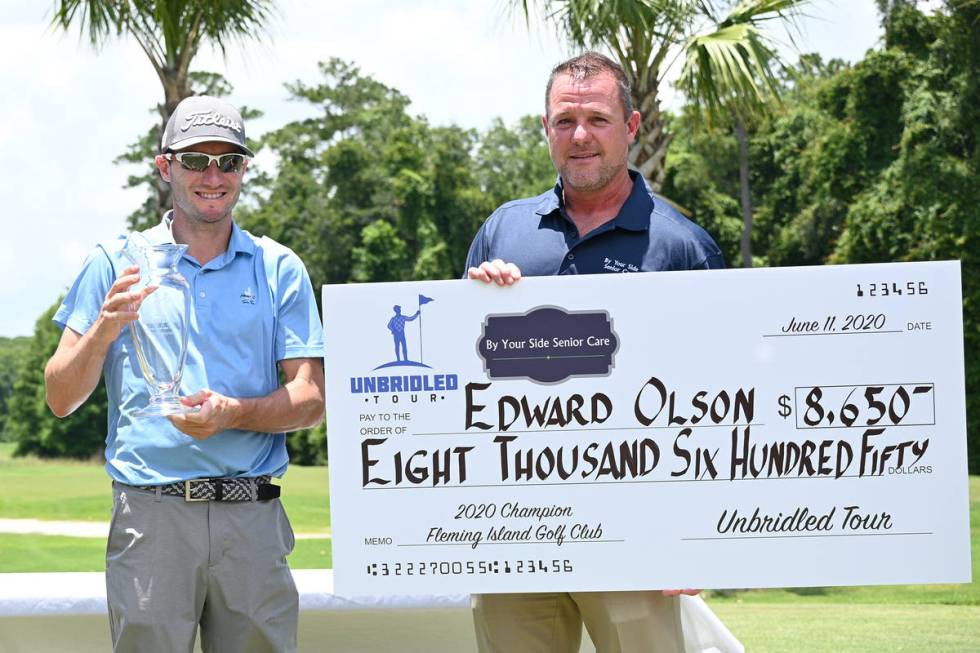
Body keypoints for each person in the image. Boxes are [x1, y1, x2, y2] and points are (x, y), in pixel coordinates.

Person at [44, 95, 325, 653]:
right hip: (151, 518)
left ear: (246, 168)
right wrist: (103, 329)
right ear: (166, 165)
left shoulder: (278, 267)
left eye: (228, 160)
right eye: (196, 160)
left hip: (253, 517)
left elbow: (311, 398)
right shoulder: (115, 262)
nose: (213, 175)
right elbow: (59, 396)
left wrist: (234, 414)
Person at [465, 52, 723, 653]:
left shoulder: (683, 246)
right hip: (514, 528)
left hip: (639, 531)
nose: (580, 136)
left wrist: (704, 536)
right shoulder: (504, 231)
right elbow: (461, 379)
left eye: (598, 120)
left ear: (631, 127)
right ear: (545, 128)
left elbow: (721, 398)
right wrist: (478, 307)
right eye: (564, 121)